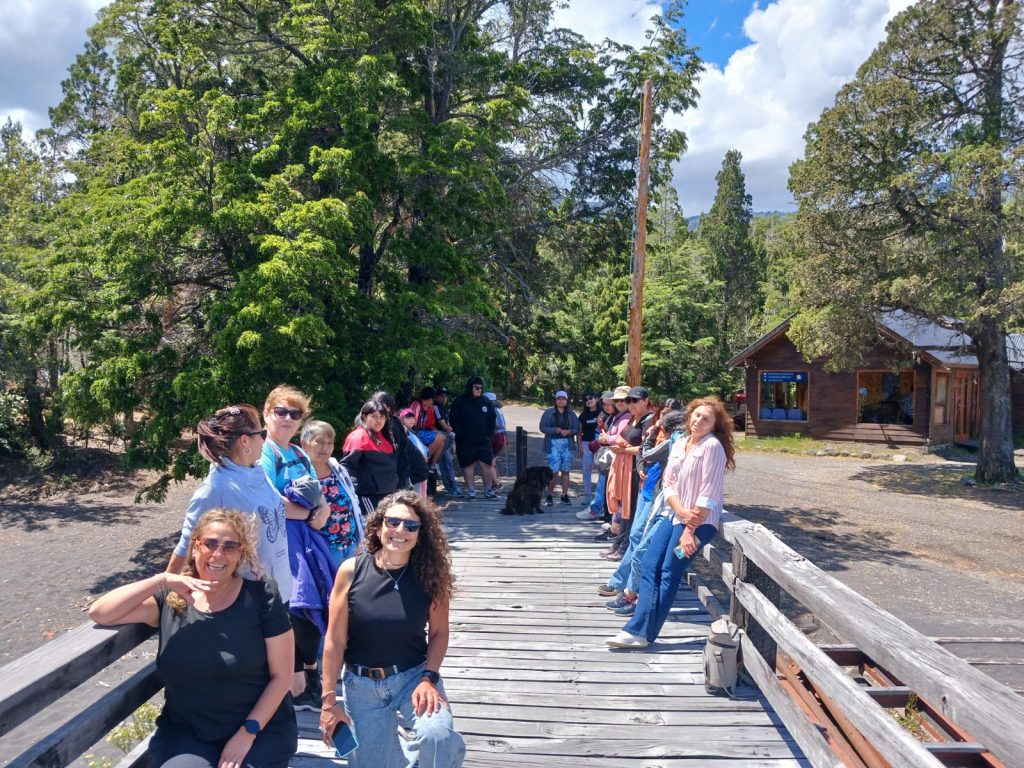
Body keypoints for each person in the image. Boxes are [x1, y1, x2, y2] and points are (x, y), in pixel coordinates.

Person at [91, 509, 297, 768]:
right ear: (195, 548)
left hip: (259, 728)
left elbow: (282, 677)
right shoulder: (171, 600)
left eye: (230, 546)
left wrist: (247, 733)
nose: (218, 554)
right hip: (188, 732)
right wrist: (161, 580)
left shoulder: (261, 597)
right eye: (210, 543)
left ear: (241, 553)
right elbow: (101, 612)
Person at [319, 491, 466, 767]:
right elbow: (334, 642)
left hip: (413, 677)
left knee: (438, 737)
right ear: (378, 527)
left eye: (411, 526)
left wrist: (428, 678)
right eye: (393, 522)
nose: (401, 531)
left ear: (420, 534)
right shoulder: (350, 571)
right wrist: (329, 703)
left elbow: (439, 633)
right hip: (361, 683)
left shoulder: (432, 574)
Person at [606, 396, 735, 649]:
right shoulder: (680, 443)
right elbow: (669, 484)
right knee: (648, 563)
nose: (699, 421)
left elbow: (708, 493)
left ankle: (640, 632)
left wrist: (690, 530)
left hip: (699, 524)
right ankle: (640, 630)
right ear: (689, 417)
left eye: (706, 418)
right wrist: (680, 511)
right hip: (674, 515)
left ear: (714, 425)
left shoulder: (712, 447)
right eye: (696, 415)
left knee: (668, 571)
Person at [168, 405, 292, 604]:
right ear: (245, 440)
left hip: (279, 591)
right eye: (262, 433)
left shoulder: (257, 471)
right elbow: (187, 543)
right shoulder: (215, 487)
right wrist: (165, 591)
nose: (265, 438)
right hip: (245, 601)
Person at [260, 385, 333, 713]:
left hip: (307, 540)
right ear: (267, 413)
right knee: (297, 607)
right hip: (281, 543)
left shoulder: (299, 453)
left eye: (295, 414)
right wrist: (308, 513)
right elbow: (267, 500)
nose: (288, 419)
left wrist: (324, 510)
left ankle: (307, 677)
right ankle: (297, 684)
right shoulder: (267, 452)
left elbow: (319, 493)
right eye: (281, 412)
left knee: (314, 601)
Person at [299, 420, 364, 567]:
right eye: (320, 442)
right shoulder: (299, 474)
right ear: (304, 444)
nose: (326, 448)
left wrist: (361, 536)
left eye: (330, 443)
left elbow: (353, 503)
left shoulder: (338, 468)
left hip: (351, 546)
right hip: (323, 550)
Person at [604, 386, 655, 560]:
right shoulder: (634, 418)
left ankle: (624, 548)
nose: (630, 404)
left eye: (635, 400)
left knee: (630, 509)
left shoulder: (649, 420)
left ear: (646, 401)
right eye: (628, 400)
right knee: (624, 507)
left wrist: (623, 450)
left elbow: (646, 449)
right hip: (626, 468)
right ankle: (618, 543)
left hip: (637, 470)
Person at [341, 399, 400, 515]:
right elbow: (347, 466)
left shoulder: (384, 436)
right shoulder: (358, 436)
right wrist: (356, 492)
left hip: (387, 495)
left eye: (382, 416)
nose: (378, 420)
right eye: (374, 416)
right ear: (364, 416)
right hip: (368, 497)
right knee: (372, 531)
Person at [448, 376, 498, 500]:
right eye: (476, 387)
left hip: (483, 440)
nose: (479, 390)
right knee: (467, 465)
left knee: (486, 464)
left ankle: (488, 490)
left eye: (481, 388)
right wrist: (461, 434)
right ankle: (471, 491)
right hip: (465, 441)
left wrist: (489, 434)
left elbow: (492, 418)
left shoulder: (486, 401)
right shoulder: (459, 402)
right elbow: (454, 420)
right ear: (470, 387)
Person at [539, 390, 580, 506]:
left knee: (566, 471)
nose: (561, 401)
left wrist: (569, 432)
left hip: (567, 444)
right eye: (558, 398)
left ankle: (564, 495)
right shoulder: (549, 413)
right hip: (553, 444)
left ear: (567, 401)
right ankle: (549, 495)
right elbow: (542, 427)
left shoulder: (571, 414)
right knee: (553, 472)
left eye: (563, 399)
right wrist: (554, 430)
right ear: (555, 400)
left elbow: (577, 429)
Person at [432, 387, 462, 496]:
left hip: (446, 438)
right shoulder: (436, 407)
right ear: (436, 397)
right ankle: (451, 487)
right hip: (441, 438)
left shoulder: (443, 408)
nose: (444, 398)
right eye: (441, 396)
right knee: (446, 462)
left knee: (448, 462)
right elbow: (444, 426)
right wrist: (451, 430)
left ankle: (451, 486)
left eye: (446, 396)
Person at [410, 387, 447, 469]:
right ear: (429, 398)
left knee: (443, 439)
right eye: (433, 399)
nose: (433, 402)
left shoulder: (426, 407)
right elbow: (412, 425)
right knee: (440, 438)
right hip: (413, 434)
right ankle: (423, 460)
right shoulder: (417, 405)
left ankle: (432, 466)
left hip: (420, 432)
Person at [399, 407, 431, 495]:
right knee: (417, 495)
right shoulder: (403, 433)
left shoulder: (413, 433)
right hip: (413, 469)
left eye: (413, 417)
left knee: (420, 494)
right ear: (401, 419)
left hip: (420, 467)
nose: (411, 420)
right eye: (408, 417)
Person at [577, 392, 601, 504]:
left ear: (596, 399)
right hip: (586, 444)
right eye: (586, 400)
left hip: (600, 444)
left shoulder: (603, 413)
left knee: (602, 470)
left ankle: (601, 496)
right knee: (587, 471)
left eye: (590, 398)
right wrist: (579, 446)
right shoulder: (583, 415)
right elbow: (579, 432)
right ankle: (587, 496)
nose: (588, 401)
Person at [484, 392, 506, 490]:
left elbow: (495, 425)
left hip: (495, 436)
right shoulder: (498, 410)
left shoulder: (491, 410)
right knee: (492, 459)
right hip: (501, 436)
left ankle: (496, 482)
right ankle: (495, 480)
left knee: (490, 460)